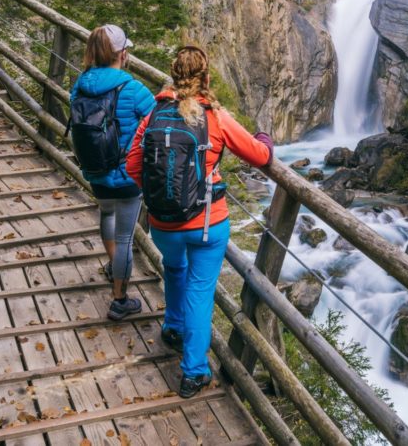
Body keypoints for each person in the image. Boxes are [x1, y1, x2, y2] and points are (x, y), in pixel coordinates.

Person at [126, 46, 273, 398]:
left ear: (174, 76)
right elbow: (260, 155)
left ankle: (173, 326)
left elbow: (132, 165)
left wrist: (161, 193)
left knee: (175, 269)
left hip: (163, 223)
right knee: (200, 291)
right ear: (206, 78)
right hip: (207, 224)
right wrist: (265, 136)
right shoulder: (215, 117)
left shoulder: (156, 112)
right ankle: (193, 371)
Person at [70, 24, 155, 320]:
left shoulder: (80, 84)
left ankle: (113, 266)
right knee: (125, 239)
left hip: (95, 170)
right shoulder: (131, 88)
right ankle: (120, 299)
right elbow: (157, 121)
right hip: (128, 175)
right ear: (122, 53)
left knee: (107, 215)